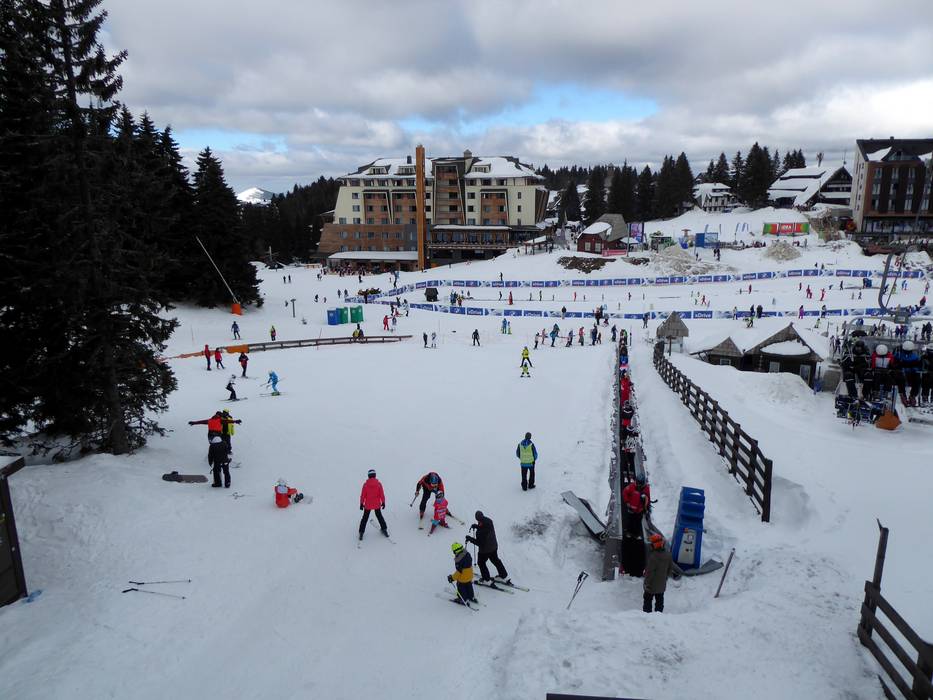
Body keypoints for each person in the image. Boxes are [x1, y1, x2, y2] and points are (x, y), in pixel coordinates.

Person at [466, 511, 509, 583]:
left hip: (485, 550)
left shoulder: (480, 532)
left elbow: (480, 543)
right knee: (495, 560)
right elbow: (484, 527)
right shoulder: (489, 521)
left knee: (481, 563)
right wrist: (476, 526)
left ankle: (486, 579)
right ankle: (503, 575)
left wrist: (470, 539)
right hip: (494, 546)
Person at [643, 533, 673, 613]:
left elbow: (649, 572)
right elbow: (670, 569)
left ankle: (647, 615)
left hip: (651, 585)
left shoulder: (653, 557)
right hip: (662, 583)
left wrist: (646, 583)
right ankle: (659, 615)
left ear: (654, 544)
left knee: (647, 600)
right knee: (659, 600)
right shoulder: (668, 555)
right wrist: (665, 578)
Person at [359, 469, 388, 540]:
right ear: (375, 475)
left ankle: (361, 532)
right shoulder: (379, 484)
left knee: (365, 518)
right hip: (376, 504)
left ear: (368, 476)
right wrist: (383, 502)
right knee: (379, 516)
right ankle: (384, 529)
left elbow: (362, 495)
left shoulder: (365, 485)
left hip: (368, 505)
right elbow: (382, 494)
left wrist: (361, 503)